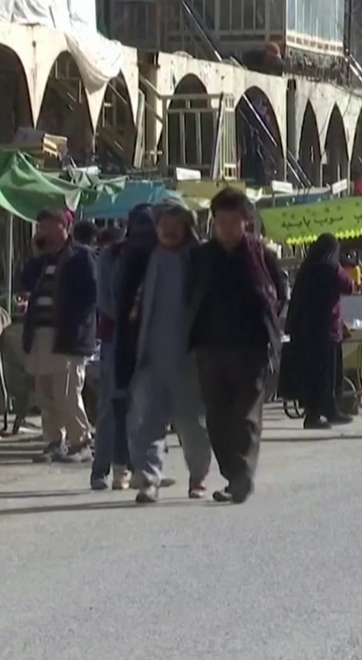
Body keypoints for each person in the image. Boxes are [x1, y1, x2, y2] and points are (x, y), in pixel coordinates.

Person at [187, 188, 285, 504]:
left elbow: (278, 295)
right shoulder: (202, 257)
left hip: (251, 348)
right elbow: (189, 296)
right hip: (210, 348)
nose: (227, 227)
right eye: (221, 221)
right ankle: (233, 474)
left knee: (244, 416)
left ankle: (241, 476)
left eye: (233, 221)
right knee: (216, 418)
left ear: (246, 222)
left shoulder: (261, 256)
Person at [117, 203, 213, 503]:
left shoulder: (199, 262)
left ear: (187, 228)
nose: (168, 231)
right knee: (144, 421)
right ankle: (148, 479)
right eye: (164, 225)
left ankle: (197, 476)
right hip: (148, 358)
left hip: (189, 360)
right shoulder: (143, 260)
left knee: (191, 424)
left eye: (175, 225)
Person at [21, 209, 98, 463]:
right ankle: (54, 441)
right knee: (45, 393)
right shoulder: (43, 260)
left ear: (66, 227)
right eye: (42, 228)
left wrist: (76, 323)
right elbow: (27, 282)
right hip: (40, 334)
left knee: (67, 392)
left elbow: (92, 295)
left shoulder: (81, 256)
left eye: (51, 228)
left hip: (67, 336)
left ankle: (82, 441)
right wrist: (36, 255)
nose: (46, 233)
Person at [90, 206, 151, 491]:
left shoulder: (159, 254)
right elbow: (106, 301)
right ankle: (102, 469)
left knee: (145, 406)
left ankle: (141, 467)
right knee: (113, 405)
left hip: (151, 340)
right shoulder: (112, 255)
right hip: (117, 339)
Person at [286, 233, 355, 430]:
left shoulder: (307, 268)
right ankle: (330, 410)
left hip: (305, 330)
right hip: (326, 329)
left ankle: (313, 414)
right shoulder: (331, 268)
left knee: (313, 375)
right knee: (328, 373)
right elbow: (349, 286)